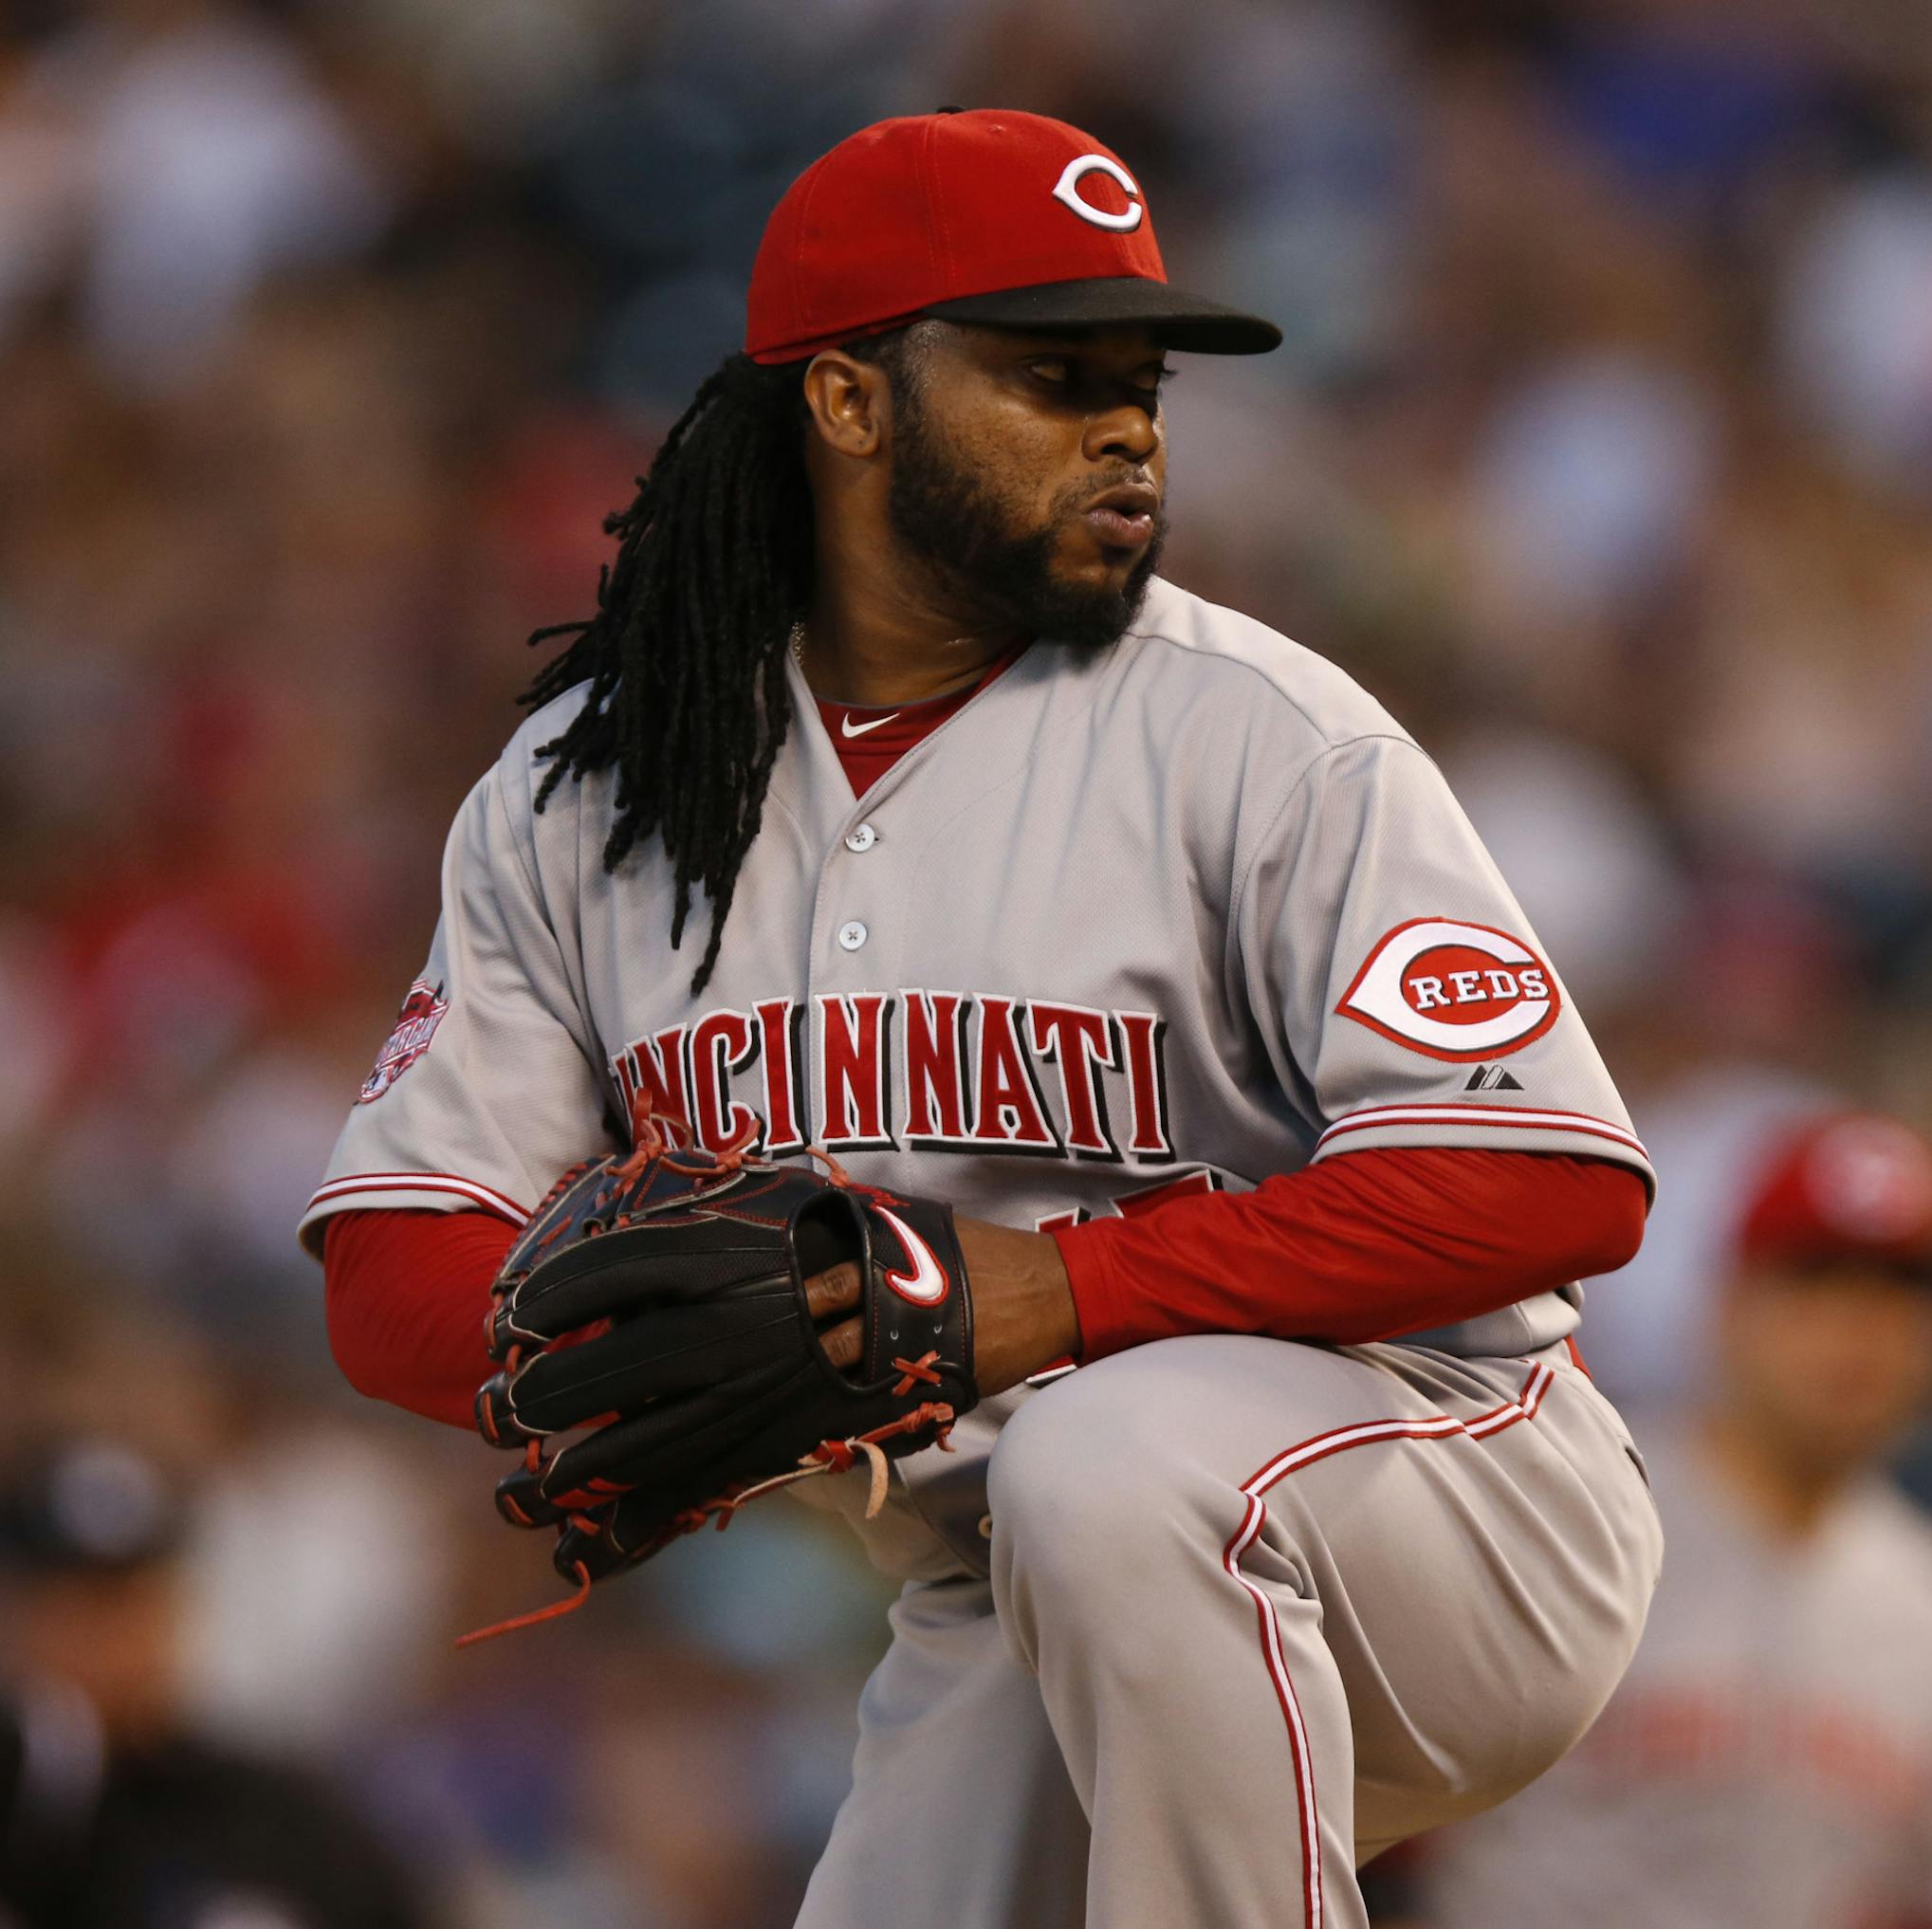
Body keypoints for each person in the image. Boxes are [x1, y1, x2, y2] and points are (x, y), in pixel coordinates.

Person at [306, 107, 1663, 1928]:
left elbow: (1552, 1187)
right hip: (1019, 1568)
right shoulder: (597, 785)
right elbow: (397, 1244)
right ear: (850, 402)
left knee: (1108, 1460)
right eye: (1049, 374)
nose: (1125, 424)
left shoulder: (1261, 735)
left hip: (1450, 1486)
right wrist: (601, 1347)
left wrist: (1054, 1288)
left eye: (1142, 382)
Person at [1418, 1111, 1932, 1929]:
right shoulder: (1566, 1523)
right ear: (1728, 1304)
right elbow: (1379, 1845)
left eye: (1901, 1293)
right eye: (1817, 1280)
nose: (1860, 1331)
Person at [0, 1438, 432, 1929]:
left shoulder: (288, 1822)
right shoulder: (26, 1820)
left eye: (132, 1604)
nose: (110, 1643)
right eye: (72, 1609)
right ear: (18, 1618)